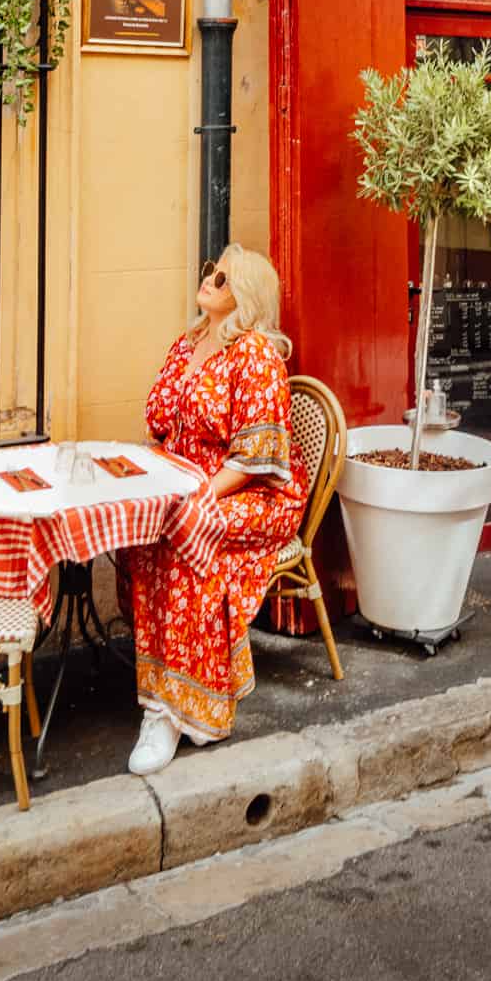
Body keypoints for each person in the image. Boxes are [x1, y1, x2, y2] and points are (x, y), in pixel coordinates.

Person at [122, 245, 307, 775]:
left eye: (224, 278)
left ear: (245, 296)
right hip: (189, 481)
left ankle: (176, 711)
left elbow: (255, 459)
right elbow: (159, 418)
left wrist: (200, 493)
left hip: (251, 493)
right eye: (211, 271)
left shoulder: (256, 356)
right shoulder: (191, 342)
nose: (211, 279)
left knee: (184, 534)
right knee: (146, 528)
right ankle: (162, 680)